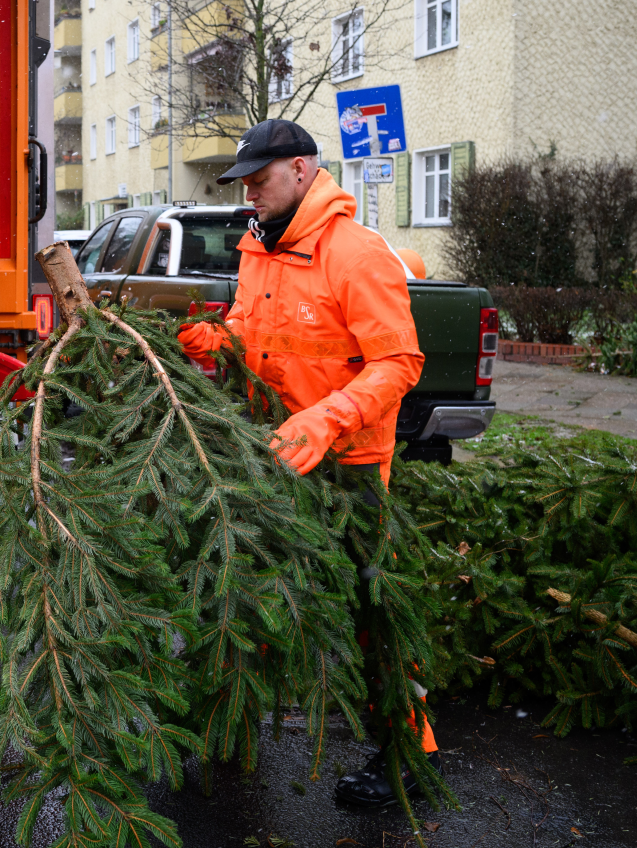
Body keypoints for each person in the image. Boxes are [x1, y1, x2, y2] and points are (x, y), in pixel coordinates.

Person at [176, 119, 435, 806]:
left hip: (348, 465)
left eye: (259, 180)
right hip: (273, 457)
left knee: (368, 609)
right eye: (244, 182)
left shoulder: (356, 254)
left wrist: (327, 419)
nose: (249, 193)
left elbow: (399, 363)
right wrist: (207, 342)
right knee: (254, 592)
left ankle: (406, 752)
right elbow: (253, 335)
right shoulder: (259, 249)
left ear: (301, 169)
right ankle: (232, 724)